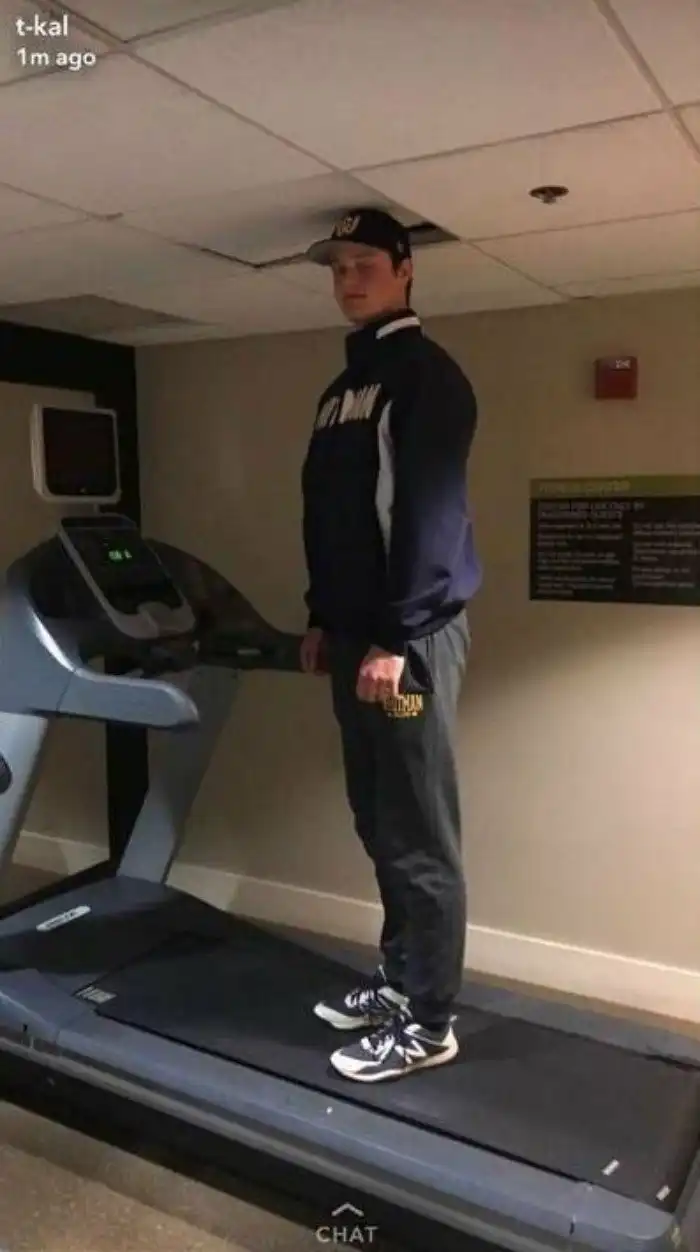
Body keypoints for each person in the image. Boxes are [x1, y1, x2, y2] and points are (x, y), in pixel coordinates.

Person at [299, 207, 481, 1083]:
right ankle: (401, 978)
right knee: (376, 818)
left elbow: (427, 519)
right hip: (356, 642)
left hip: (404, 647)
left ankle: (430, 1021)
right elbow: (332, 518)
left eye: (364, 263)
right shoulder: (342, 390)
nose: (348, 280)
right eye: (337, 267)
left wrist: (394, 639)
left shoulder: (426, 377)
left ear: (406, 269)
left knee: (416, 831)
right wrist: (322, 618)